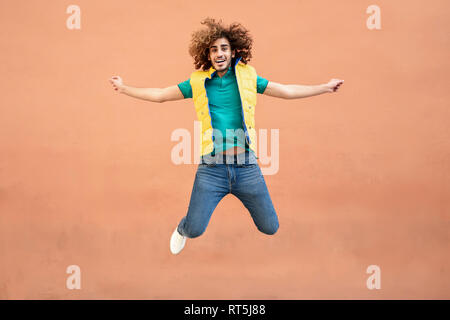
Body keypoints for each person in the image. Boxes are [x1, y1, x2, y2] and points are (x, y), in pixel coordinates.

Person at [109, 17, 344, 255]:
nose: (219, 53)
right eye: (213, 50)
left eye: (224, 48)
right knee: (195, 229)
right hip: (212, 169)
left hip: (246, 167)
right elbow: (160, 95)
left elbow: (286, 91)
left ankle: (194, 224)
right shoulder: (198, 82)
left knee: (270, 227)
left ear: (233, 52)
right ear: (207, 55)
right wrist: (125, 88)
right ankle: (182, 228)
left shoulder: (248, 78)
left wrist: (324, 87)